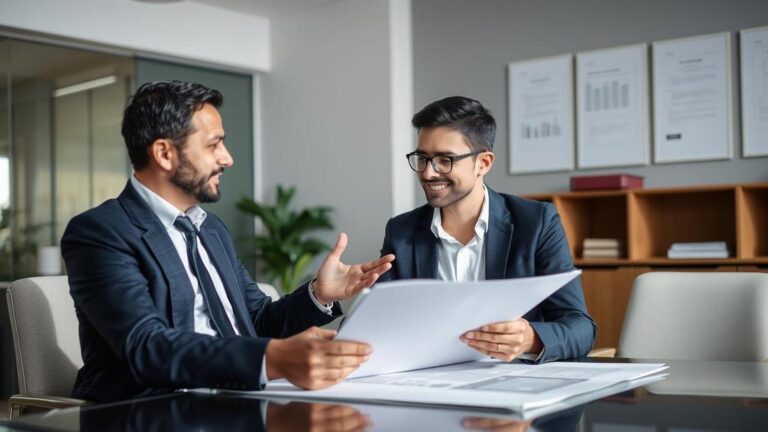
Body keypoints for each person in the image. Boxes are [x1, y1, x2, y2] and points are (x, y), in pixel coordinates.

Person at [61, 80, 395, 402]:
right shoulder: (100, 232)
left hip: (239, 399)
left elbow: (257, 321)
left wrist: (318, 294)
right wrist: (272, 358)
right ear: (164, 153)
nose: (227, 158)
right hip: (153, 410)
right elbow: (147, 347)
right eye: (213, 145)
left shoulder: (211, 229)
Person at [378, 96, 595, 362]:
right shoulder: (402, 231)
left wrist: (531, 339)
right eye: (422, 158)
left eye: (445, 159)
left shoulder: (536, 223)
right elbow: (375, 324)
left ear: (484, 163)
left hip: (511, 379)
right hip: (428, 377)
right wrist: (335, 297)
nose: (428, 173)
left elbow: (580, 327)